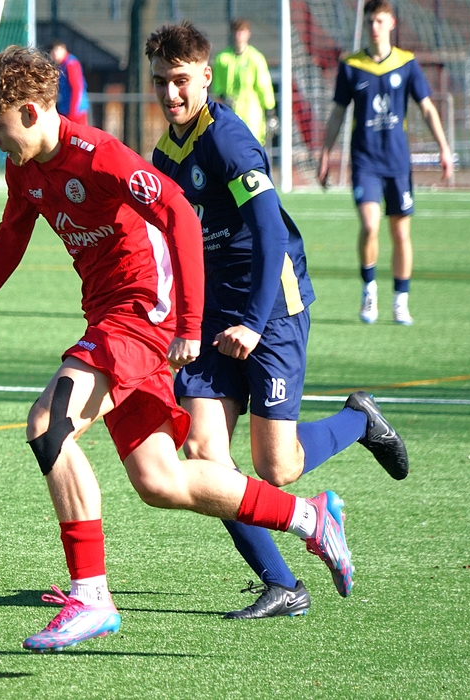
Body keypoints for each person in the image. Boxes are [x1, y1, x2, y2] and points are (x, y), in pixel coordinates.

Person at [0, 46, 353, 653]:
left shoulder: (99, 155)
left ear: (30, 112)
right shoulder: (23, 170)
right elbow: (10, 238)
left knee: (48, 423)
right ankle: (310, 518)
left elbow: (180, 213)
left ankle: (91, 597)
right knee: (161, 480)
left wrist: (189, 323)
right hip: (110, 315)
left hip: (142, 314)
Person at [147, 22, 409, 619]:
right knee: (204, 455)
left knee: (278, 466)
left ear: (205, 77)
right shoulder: (166, 152)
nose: (170, 93)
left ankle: (359, 421)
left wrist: (253, 322)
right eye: (160, 81)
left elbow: (269, 231)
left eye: (180, 80)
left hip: (270, 304)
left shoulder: (229, 141)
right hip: (214, 310)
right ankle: (283, 584)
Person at [317, 0, 453, 326]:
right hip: (365, 162)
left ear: (392, 23)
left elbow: (427, 108)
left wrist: (444, 148)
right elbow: (338, 113)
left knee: (401, 234)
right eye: (369, 21)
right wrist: (325, 154)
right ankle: (369, 290)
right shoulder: (351, 65)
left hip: (397, 163)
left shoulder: (406, 63)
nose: (374, 27)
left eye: (379, 21)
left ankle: (400, 301)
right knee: (369, 226)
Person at [210, 18, 277, 146]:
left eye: (242, 31)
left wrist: (270, 110)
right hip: (229, 112)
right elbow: (217, 85)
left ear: (248, 34)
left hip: (251, 114)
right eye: (236, 31)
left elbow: (264, 86)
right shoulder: (222, 58)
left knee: (251, 146)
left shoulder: (256, 58)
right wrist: (223, 97)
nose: (239, 35)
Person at [48, 40, 90, 125]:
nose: (54, 55)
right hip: (67, 109)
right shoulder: (63, 65)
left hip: (75, 112)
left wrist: (73, 112)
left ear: (63, 49)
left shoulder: (70, 64)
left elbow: (76, 88)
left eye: (56, 50)